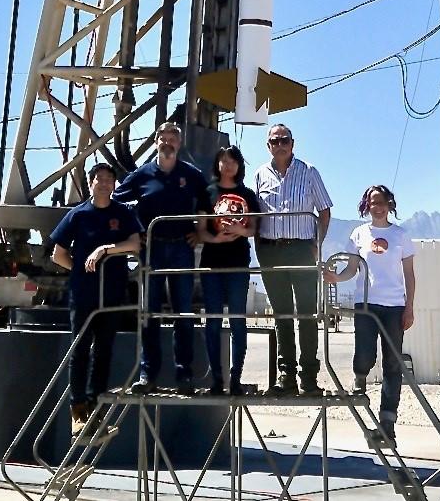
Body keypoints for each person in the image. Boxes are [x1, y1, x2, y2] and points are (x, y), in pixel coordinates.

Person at [114, 121, 209, 395]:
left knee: (184, 313)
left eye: (172, 139)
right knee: (149, 314)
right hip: (151, 249)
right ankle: (148, 374)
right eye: (163, 138)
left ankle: (185, 374)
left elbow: (207, 202)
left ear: (179, 144)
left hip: (181, 248)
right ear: (156, 141)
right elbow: (118, 201)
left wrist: (199, 232)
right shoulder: (142, 175)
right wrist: (135, 231)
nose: (167, 143)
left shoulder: (191, 175)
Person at [48, 162, 142, 433]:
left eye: (109, 180)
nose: (104, 184)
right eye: (99, 179)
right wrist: (81, 271)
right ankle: (77, 411)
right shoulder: (78, 215)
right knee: (80, 350)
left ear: (114, 185)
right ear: (90, 184)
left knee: (104, 350)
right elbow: (58, 254)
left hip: (112, 291)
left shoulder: (122, 213)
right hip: (85, 293)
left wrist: (105, 249)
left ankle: (95, 408)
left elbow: (134, 244)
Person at [254, 123, 332, 395]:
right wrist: (260, 250)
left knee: (307, 314)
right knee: (282, 315)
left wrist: (316, 245)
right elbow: (255, 216)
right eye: (274, 141)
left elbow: (324, 211)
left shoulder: (309, 172)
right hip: (271, 251)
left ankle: (308, 377)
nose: (279, 144)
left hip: (301, 249)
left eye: (284, 139)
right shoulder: (260, 175)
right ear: (268, 146)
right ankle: (285, 376)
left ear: (292, 143)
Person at [345, 184, 415, 443]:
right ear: (366, 205)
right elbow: (352, 269)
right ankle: (360, 376)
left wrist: (409, 307)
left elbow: (409, 274)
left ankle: (388, 422)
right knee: (365, 352)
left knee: (392, 364)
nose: (378, 205)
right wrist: (334, 277)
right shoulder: (359, 234)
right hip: (366, 302)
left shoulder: (401, 236)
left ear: (390, 204)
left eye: (382, 201)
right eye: (373, 201)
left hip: (394, 305)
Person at [196, 146, 262, 396]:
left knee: (237, 320)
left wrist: (239, 231)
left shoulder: (247, 194)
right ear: (217, 164)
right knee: (212, 320)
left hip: (237, 262)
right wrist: (217, 240)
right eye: (223, 160)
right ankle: (216, 378)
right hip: (212, 261)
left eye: (233, 160)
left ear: (239, 165)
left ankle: (236, 377)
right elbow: (201, 229)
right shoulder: (208, 192)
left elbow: (254, 227)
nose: (228, 165)